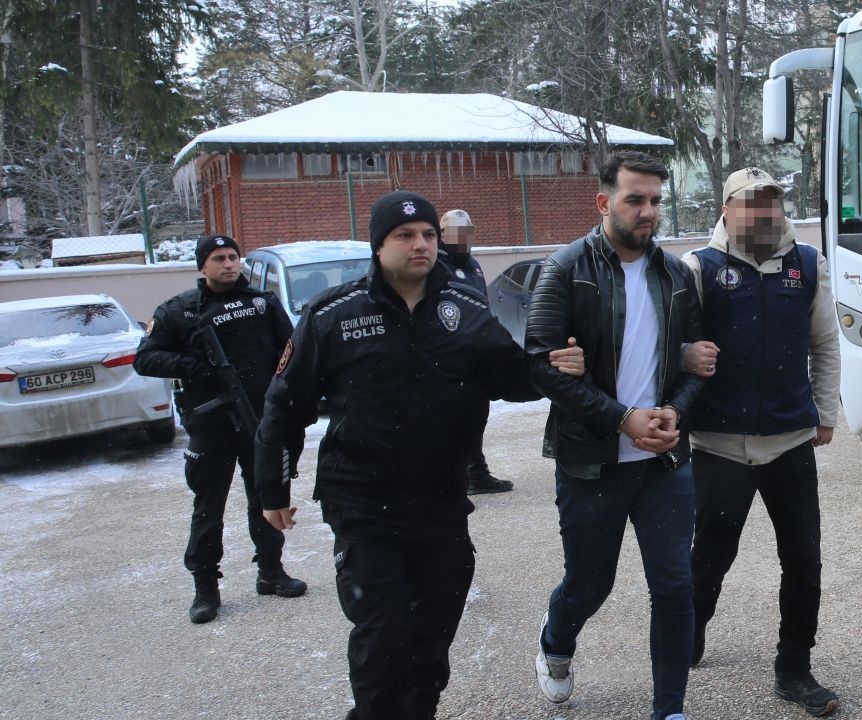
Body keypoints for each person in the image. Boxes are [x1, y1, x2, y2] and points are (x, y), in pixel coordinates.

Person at [253, 190, 584, 720]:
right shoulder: (333, 313)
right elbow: (285, 404)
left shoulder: (466, 309)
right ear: (378, 245)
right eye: (405, 235)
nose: (421, 244)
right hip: (362, 501)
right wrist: (273, 488)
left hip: (441, 501)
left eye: (428, 234)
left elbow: (510, 376)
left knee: (431, 643)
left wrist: (553, 368)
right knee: (382, 639)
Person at [525, 151, 706, 720]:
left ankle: (669, 710)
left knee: (674, 587)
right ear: (604, 202)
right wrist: (621, 417)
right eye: (635, 199)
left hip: (664, 464)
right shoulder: (565, 268)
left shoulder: (676, 275)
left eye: (656, 200)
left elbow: (696, 364)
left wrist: (674, 413)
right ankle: (555, 641)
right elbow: (540, 365)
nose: (648, 211)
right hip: (592, 462)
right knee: (589, 584)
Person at [681, 168, 842, 717]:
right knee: (709, 558)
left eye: (771, 203)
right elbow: (673, 345)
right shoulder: (698, 268)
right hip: (719, 443)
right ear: (727, 211)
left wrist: (825, 413)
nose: (763, 214)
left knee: (803, 560)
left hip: (789, 441)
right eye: (750, 204)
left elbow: (825, 344)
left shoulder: (808, 264)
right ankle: (691, 631)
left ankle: (794, 668)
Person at [134, 234, 307, 624]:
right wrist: (195, 367)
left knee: (265, 499)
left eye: (233, 257)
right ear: (203, 266)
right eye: (218, 258)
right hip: (211, 425)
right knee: (208, 508)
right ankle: (205, 587)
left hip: (259, 420)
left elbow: (291, 351)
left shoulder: (262, 303)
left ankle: (271, 571)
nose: (229, 264)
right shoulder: (179, 311)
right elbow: (145, 358)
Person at [438, 208, 513, 495]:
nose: (462, 238)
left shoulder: (473, 264)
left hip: (477, 353)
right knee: (453, 418)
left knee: (476, 414)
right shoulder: (436, 266)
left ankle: (476, 473)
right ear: (442, 235)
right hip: (450, 354)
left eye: (467, 232)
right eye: (455, 232)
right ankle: (454, 476)